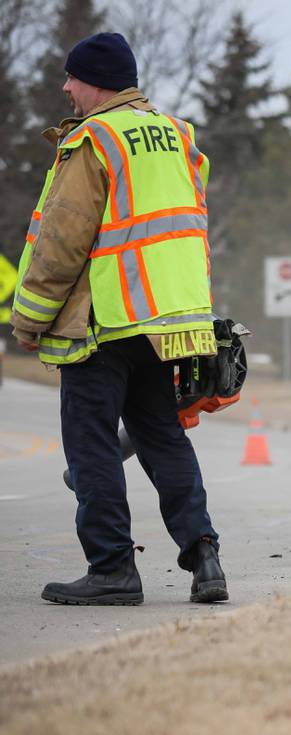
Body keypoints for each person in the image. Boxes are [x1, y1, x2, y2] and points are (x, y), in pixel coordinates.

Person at [8, 32, 226, 606]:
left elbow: (61, 240)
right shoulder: (178, 135)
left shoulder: (93, 139)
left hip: (103, 323)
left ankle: (111, 570)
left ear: (96, 81)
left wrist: (29, 319)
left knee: (93, 447)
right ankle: (205, 557)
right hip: (164, 320)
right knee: (162, 438)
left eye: (71, 78)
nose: (65, 88)